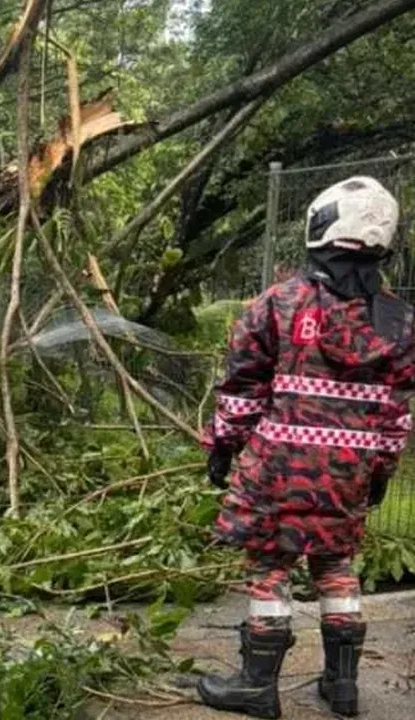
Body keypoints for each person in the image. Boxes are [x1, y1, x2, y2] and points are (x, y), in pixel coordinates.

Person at [200, 176, 412, 719]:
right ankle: (342, 688)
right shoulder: (400, 322)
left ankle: (256, 685)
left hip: (276, 471)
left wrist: (222, 447)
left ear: (323, 226)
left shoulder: (279, 303)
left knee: (270, 566)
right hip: (348, 473)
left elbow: (242, 390)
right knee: (336, 565)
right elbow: (396, 412)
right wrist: (380, 469)